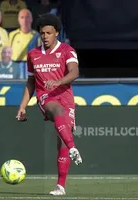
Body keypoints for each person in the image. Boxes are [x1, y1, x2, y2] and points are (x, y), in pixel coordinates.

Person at [15, 14, 82, 196]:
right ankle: (74, 147)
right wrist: (23, 106)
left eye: (48, 33)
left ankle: (60, 186)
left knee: (61, 143)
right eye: (42, 33)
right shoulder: (33, 55)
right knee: (56, 110)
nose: (44, 36)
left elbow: (74, 72)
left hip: (66, 97)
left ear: (56, 33)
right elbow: (30, 82)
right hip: (46, 97)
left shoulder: (67, 51)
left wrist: (59, 82)